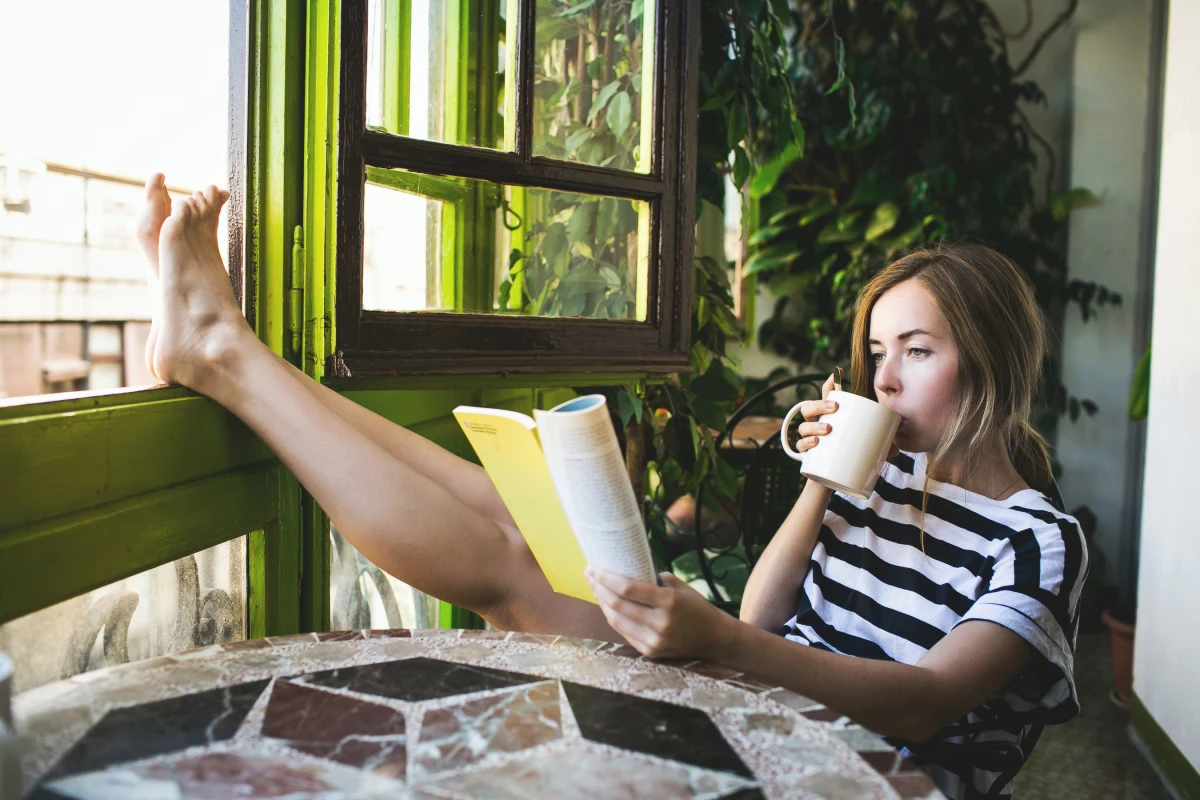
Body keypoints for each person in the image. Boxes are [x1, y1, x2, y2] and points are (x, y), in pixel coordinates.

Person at [136, 174, 1084, 798]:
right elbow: (764, 612)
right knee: (520, 514)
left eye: (916, 353)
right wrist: (824, 487)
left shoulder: (1038, 539)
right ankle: (231, 349)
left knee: (515, 571)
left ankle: (222, 354)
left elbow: (922, 704)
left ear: (993, 361)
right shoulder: (883, 482)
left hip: (855, 773)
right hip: (768, 700)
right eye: (876, 352)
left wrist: (717, 644)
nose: (882, 379)